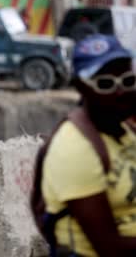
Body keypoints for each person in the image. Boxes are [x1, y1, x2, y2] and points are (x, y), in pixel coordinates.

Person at [41, 34, 136, 257]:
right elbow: (108, 247)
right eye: (105, 84)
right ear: (81, 88)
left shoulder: (124, 130)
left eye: (128, 81)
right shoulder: (75, 148)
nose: (120, 91)